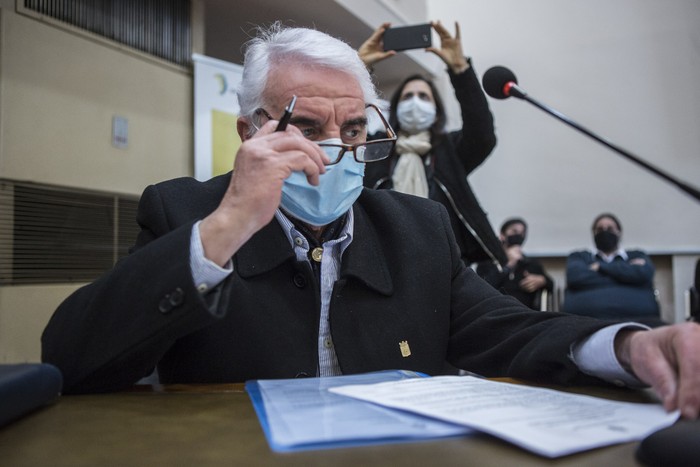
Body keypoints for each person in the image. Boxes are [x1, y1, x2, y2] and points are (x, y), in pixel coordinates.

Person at [41, 23, 700, 420]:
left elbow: (510, 332)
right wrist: (226, 227)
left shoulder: (417, 229)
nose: (338, 150)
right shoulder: (182, 210)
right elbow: (69, 357)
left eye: (355, 128)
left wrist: (628, 345)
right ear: (249, 133)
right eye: (307, 127)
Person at [358, 21, 507, 268]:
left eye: (424, 96)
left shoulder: (450, 150)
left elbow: (483, 134)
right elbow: (342, 123)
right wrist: (358, 68)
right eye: (408, 96)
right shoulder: (376, 149)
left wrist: (460, 70)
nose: (415, 102)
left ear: (436, 110)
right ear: (395, 109)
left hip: (445, 262)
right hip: (383, 261)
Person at [562, 213, 663, 326]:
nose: (604, 232)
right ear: (593, 234)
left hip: (638, 323)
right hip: (584, 325)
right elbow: (575, 277)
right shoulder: (579, 256)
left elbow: (645, 274)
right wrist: (625, 275)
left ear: (619, 232)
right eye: (600, 229)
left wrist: (600, 267)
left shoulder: (637, 255)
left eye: (610, 228)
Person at [477, 217, 553, 310]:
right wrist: (509, 265)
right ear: (502, 235)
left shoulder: (530, 263)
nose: (519, 236)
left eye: (522, 233)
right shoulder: (487, 261)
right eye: (514, 231)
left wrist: (542, 280)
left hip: (526, 315)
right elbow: (482, 288)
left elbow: (551, 285)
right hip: (495, 313)